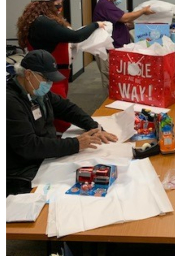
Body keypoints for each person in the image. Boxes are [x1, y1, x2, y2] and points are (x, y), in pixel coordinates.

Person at [7, 50, 118, 195]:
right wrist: (76, 144)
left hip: (43, 158)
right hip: (22, 171)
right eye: (46, 79)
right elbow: (29, 146)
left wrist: (95, 127)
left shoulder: (37, 93)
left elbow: (68, 109)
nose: (49, 84)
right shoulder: (10, 102)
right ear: (28, 74)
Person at [16, 0, 106, 100]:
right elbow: (75, 36)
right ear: (45, 5)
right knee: (58, 111)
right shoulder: (43, 22)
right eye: (56, 5)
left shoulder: (43, 20)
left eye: (60, 4)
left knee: (59, 107)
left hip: (56, 73)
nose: (59, 8)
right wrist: (96, 24)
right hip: (49, 75)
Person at [92, 0, 155, 85]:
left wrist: (125, 25)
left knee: (117, 78)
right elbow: (124, 17)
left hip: (114, 48)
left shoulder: (108, 5)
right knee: (111, 80)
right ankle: (111, 101)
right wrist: (142, 11)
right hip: (106, 51)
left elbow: (116, 21)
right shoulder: (104, 4)